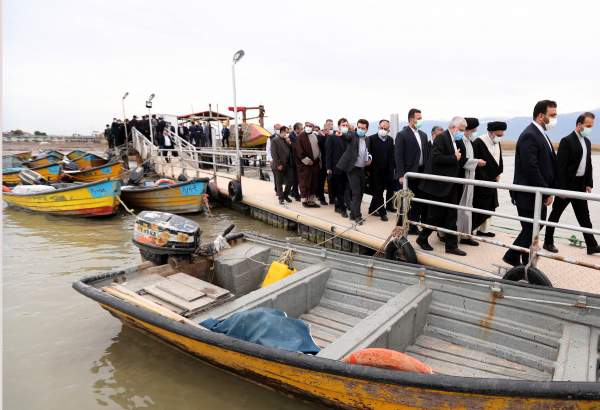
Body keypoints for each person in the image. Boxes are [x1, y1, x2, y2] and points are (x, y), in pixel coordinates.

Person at [503, 100, 557, 267]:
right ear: (541, 115)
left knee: (534, 227)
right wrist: (546, 191)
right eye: (552, 115)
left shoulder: (541, 134)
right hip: (529, 194)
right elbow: (531, 168)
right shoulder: (530, 135)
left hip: (537, 193)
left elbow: (548, 164)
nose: (555, 119)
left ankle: (525, 259)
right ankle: (512, 256)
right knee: (531, 228)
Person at [544, 112, 599, 255]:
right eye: (588, 125)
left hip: (580, 185)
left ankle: (591, 245)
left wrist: (589, 183)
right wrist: (561, 189)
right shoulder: (566, 141)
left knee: (584, 216)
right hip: (567, 185)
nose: (590, 128)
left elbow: (588, 164)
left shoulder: (587, 141)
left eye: (591, 126)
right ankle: (548, 242)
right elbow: (560, 167)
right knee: (556, 214)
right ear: (579, 124)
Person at [416, 116, 468, 256]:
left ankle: (451, 246)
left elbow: (461, 158)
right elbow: (435, 158)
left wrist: (463, 156)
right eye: (461, 130)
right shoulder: (441, 138)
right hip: (437, 185)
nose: (462, 133)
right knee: (435, 216)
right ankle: (422, 238)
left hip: (451, 185)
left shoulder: (456, 140)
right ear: (453, 127)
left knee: (452, 215)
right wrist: (453, 158)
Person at [395, 109, 430, 233]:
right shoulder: (402, 134)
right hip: (408, 173)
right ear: (411, 119)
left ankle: (413, 226)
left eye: (421, 117)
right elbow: (398, 156)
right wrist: (401, 175)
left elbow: (426, 155)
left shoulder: (424, 135)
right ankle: (400, 225)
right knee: (406, 200)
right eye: (418, 118)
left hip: (421, 172)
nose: (420, 120)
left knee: (417, 201)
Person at [471, 121, 506, 237]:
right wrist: (484, 177)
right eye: (499, 134)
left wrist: (498, 172)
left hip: (493, 180)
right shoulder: (479, 142)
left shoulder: (497, 141)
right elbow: (474, 162)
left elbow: (498, 158)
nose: (501, 136)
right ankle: (472, 230)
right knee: (479, 205)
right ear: (492, 132)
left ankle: (483, 230)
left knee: (491, 205)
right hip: (481, 180)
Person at [456, 117, 486, 246]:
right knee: (460, 206)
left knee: (468, 206)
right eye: (474, 129)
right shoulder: (460, 140)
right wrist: (476, 162)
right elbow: (461, 160)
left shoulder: (469, 141)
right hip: (462, 178)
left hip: (470, 177)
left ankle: (465, 234)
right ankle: (453, 234)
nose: (475, 132)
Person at [337, 119, 372, 224]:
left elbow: (367, 151)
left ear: (366, 129)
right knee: (356, 192)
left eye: (363, 128)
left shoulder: (367, 139)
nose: (360, 129)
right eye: (359, 127)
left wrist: (369, 158)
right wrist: (342, 134)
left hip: (362, 168)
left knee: (361, 192)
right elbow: (346, 136)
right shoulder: (352, 135)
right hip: (352, 168)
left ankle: (353, 214)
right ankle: (357, 216)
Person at [367, 119, 395, 221]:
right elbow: (368, 156)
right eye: (381, 128)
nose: (383, 130)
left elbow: (391, 156)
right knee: (378, 192)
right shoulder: (371, 139)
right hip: (375, 170)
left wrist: (392, 170)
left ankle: (371, 209)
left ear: (388, 130)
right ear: (378, 127)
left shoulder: (390, 140)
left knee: (380, 190)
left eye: (385, 128)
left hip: (387, 171)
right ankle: (382, 212)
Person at [326, 118, 350, 217]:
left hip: (347, 168)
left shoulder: (348, 137)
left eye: (346, 125)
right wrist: (328, 167)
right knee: (339, 189)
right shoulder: (332, 137)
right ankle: (342, 209)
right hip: (336, 167)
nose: (345, 127)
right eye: (343, 125)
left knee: (346, 188)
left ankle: (339, 206)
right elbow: (328, 153)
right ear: (339, 126)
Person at [295, 122, 321, 207]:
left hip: (315, 164)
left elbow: (318, 148)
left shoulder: (314, 136)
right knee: (305, 182)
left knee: (313, 183)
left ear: (313, 128)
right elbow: (299, 151)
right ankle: (304, 201)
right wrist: (307, 160)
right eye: (307, 126)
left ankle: (311, 201)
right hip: (305, 165)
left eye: (310, 126)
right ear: (305, 127)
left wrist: (318, 159)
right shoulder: (300, 137)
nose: (308, 127)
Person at [270, 126, 294, 204]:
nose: (288, 134)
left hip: (288, 164)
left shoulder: (287, 140)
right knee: (279, 182)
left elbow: (292, 150)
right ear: (282, 131)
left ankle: (286, 195)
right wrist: (278, 164)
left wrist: (289, 143)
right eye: (287, 132)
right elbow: (274, 153)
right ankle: (281, 198)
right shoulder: (274, 140)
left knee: (290, 180)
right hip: (279, 164)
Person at [315, 123, 331, 205]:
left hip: (330, 163)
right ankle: (321, 198)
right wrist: (324, 136)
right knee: (321, 181)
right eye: (326, 129)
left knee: (330, 181)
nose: (327, 131)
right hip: (322, 162)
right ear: (323, 129)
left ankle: (330, 198)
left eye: (329, 129)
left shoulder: (332, 137)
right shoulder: (320, 137)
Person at [288, 122, 303, 201]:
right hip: (293, 160)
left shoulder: (299, 135)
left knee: (298, 177)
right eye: (301, 129)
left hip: (299, 160)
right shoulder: (291, 136)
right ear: (296, 129)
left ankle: (294, 191)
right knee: (295, 177)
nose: (302, 130)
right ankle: (296, 193)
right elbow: (296, 146)